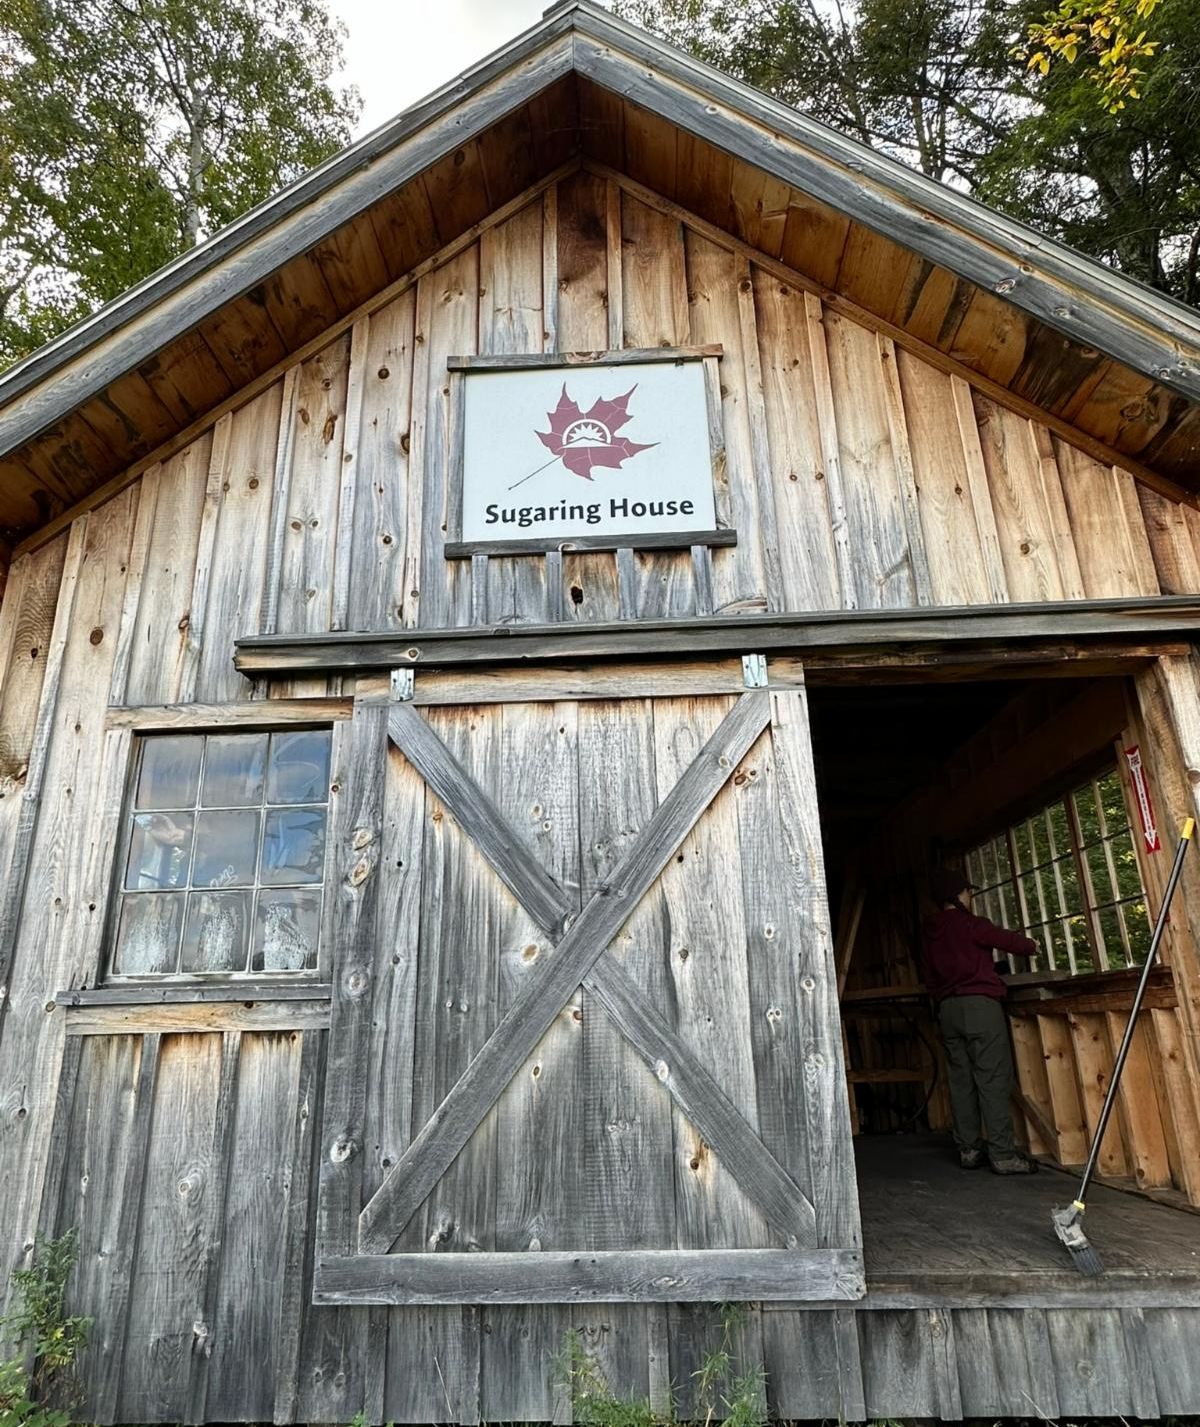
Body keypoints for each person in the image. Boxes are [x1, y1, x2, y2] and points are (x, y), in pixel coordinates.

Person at [921, 868, 1039, 1174]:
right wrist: (1032, 945)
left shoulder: (931, 931)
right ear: (958, 895)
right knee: (992, 1078)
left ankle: (969, 1150)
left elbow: (931, 977)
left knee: (960, 1081)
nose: (970, 896)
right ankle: (1003, 1154)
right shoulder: (971, 924)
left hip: (947, 1010)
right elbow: (1009, 941)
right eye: (968, 892)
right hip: (980, 1007)